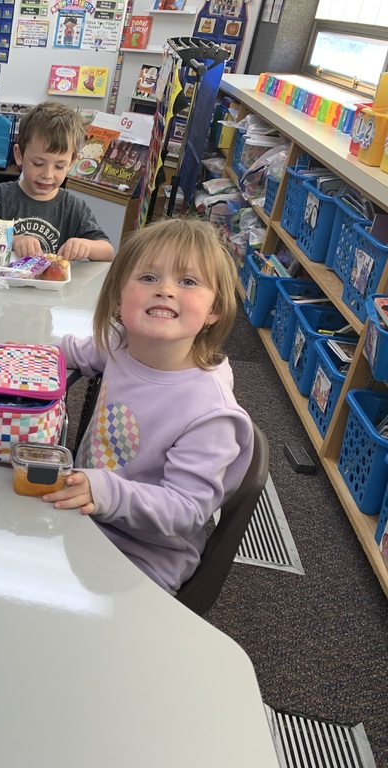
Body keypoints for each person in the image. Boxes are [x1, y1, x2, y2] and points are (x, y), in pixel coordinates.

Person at [46, 218, 254, 594]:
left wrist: (105, 491)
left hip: (143, 554)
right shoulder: (122, 344)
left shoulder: (210, 412)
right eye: (147, 278)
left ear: (215, 310)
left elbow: (185, 509)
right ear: (117, 299)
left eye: (188, 282)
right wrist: (23, 355)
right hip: (81, 511)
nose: (166, 291)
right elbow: (76, 351)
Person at [0, 100, 114, 262]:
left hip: (53, 285)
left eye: (59, 166)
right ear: (19, 155)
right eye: (38, 164)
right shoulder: (0, 197)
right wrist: (13, 240)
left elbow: (107, 251)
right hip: (4, 283)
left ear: (72, 163)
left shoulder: (73, 206)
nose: (48, 174)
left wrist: (85, 246)